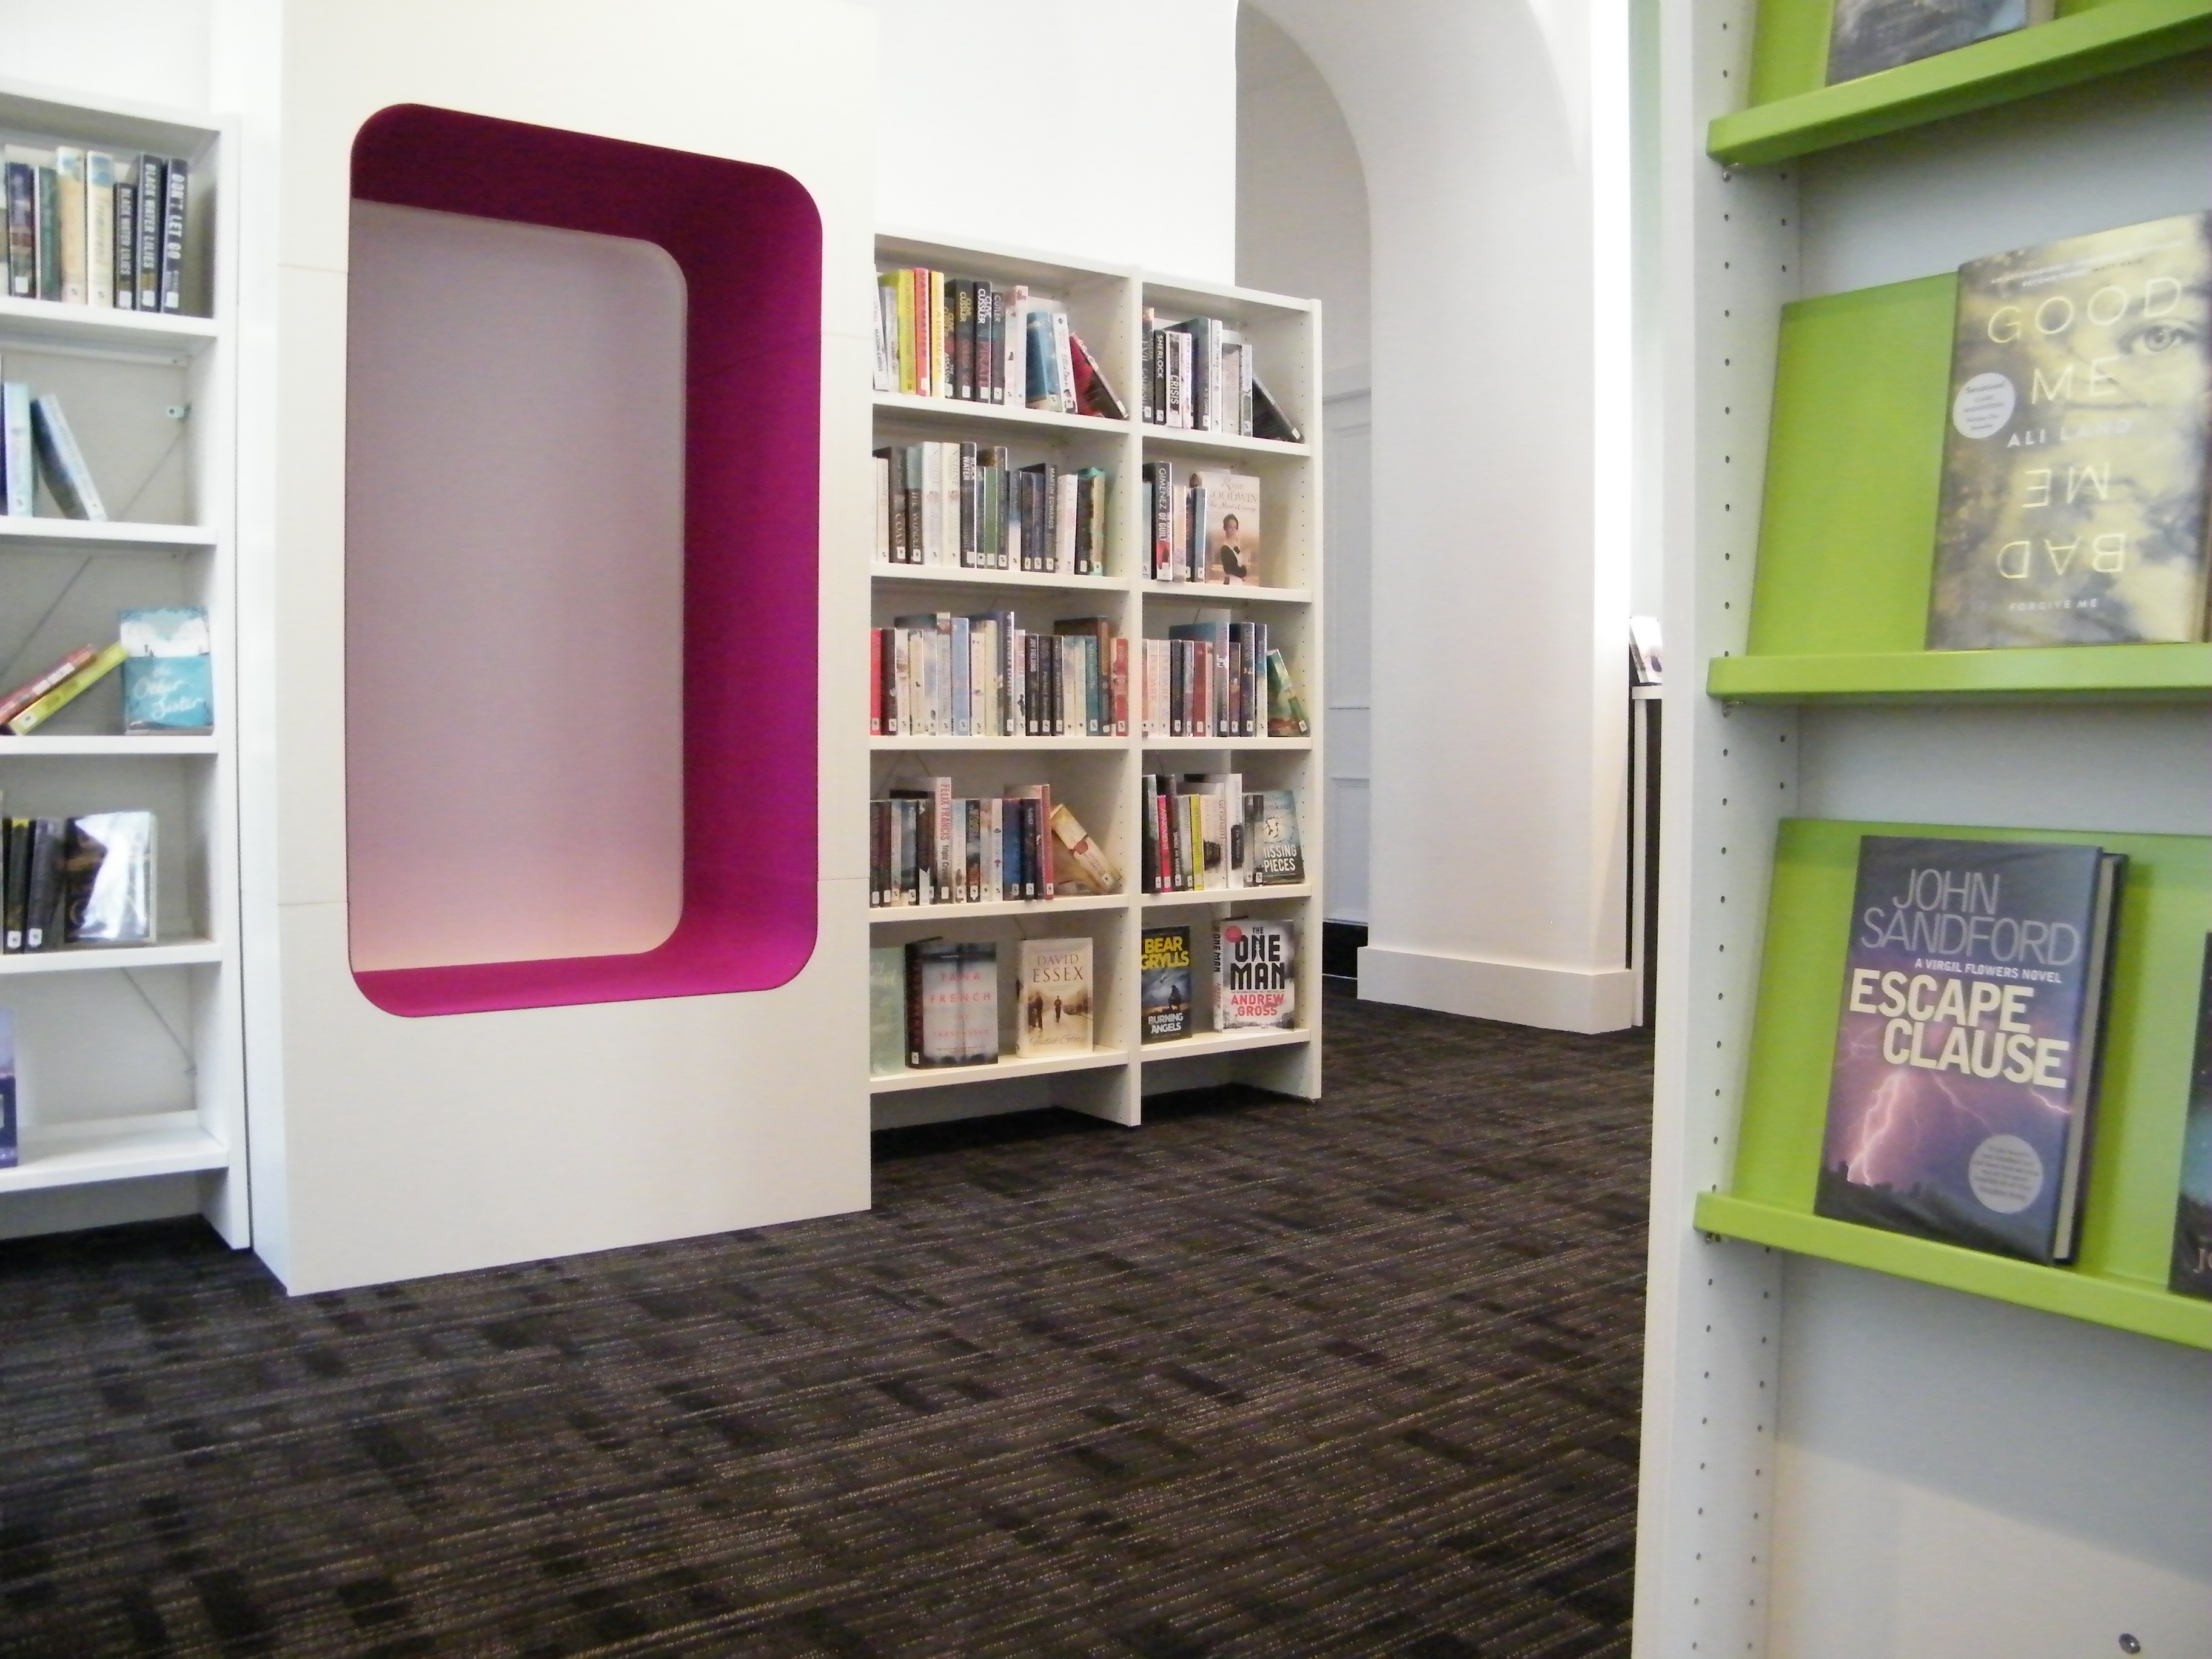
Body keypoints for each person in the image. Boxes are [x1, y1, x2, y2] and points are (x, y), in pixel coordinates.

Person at [1213, 512, 1249, 584]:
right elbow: (1231, 569)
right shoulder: (1225, 548)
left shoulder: (1236, 546)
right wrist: (1244, 571)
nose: (1233, 530)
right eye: (1230, 527)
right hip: (1231, 582)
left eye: (1235, 528)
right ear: (1225, 528)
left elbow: (1241, 562)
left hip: (1238, 582)